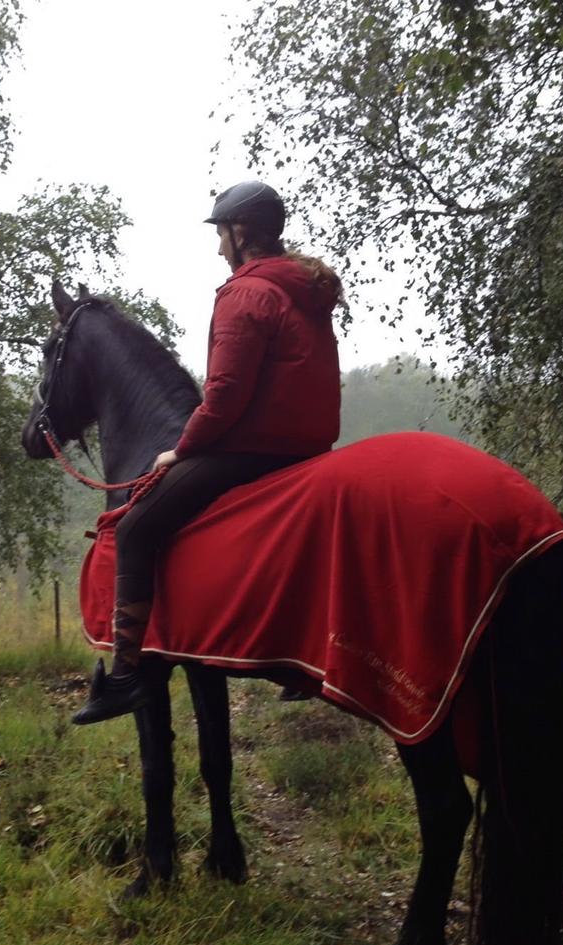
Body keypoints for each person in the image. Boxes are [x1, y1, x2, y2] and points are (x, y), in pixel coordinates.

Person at [74, 180, 343, 725]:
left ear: (241, 233)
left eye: (221, 234)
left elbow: (223, 397)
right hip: (307, 452)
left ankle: (125, 676)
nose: (219, 247)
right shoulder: (305, 293)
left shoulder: (246, 293)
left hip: (251, 450)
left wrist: (182, 450)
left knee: (134, 528)